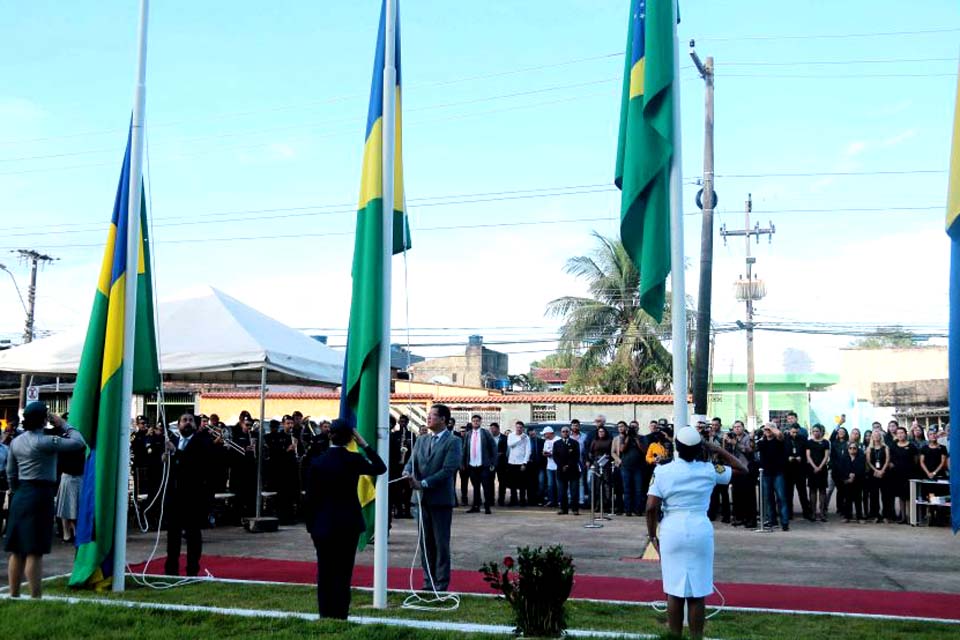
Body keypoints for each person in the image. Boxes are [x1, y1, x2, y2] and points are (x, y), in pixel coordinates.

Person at [645, 426, 748, 640]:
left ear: (676, 448)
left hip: (672, 528)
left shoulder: (662, 471)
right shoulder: (708, 469)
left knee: (674, 590)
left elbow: (651, 507)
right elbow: (741, 469)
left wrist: (652, 535)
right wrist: (718, 449)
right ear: (699, 448)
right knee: (698, 591)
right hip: (700, 527)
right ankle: (696, 637)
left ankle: (674, 636)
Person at [303, 419, 386, 619]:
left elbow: (309, 498)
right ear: (350, 438)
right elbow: (380, 467)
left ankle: (325, 613)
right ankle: (340, 613)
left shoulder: (317, 461)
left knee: (325, 572)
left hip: (322, 524)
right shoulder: (354, 459)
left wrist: (310, 526)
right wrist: (364, 444)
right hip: (348, 523)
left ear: (329, 435)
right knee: (343, 571)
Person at [5, 402, 86, 598]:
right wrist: (63, 424)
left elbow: (10, 473)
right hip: (40, 494)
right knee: (34, 549)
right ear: (44, 420)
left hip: (21, 493)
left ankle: (14, 594)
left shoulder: (16, 441)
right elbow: (79, 442)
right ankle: (36, 596)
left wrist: (18, 490)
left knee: (17, 549)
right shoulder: (45, 441)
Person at [404, 404, 462, 592]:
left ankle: (441, 582)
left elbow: (448, 469)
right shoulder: (421, 440)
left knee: (440, 543)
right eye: (428, 416)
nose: (428, 419)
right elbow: (411, 462)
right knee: (425, 542)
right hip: (420, 500)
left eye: (432, 416)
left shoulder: (453, 441)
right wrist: (407, 472)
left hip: (440, 500)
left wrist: (424, 483)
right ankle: (428, 581)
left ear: (443, 419)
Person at [164, 413, 214, 577]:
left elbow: (195, 464)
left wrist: (176, 453)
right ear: (178, 425)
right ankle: (171, 569)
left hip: (193, 496)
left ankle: (192, 569)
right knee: (173, 534)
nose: (187, 423)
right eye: (184, 420)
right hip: (174, 496)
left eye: (190, 420)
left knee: (193, 534)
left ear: (196, 425)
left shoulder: (202, 442)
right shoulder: (174, 441)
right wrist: (165, 458)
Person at [756, 423, 789, 531]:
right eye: (765, 429)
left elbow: (780, 435)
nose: (767, 431)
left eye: (769, 429)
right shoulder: (762, 442)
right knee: (769, 499)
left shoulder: (779, 441)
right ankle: (772, 521)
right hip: (766, 473)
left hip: (778, 473)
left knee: (781, 498)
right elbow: (752, 447)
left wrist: (771, 427)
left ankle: (784, 522)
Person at [461, 415, 496, 514]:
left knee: (486, 486)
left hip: (484, 464)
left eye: (477, 421)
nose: (476, 422)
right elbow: (464, 449)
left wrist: (493, 462)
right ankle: (475, 506)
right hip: (472, 464)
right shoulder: (468, 434)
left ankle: (487, 506)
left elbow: (493, 447)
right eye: (474, 421)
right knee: (475, 487)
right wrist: (463, 462)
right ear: (471, 422)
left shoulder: (485, 433)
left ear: (481, 422)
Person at [727, 420, 755, 527]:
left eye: (739, 427)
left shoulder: (748, 438)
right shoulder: (732, 438)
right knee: (737, 495)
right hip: (735, 469)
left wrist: (736, 444)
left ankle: (750, 519)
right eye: (735, 427)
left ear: (743, 428)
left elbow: (749, 451)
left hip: (746, 469)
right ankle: (739, 517)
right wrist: (727, 442)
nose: (737, 429)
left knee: (748, 495)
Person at [615, 421, 646, 517]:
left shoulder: (642, 438)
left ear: (638, 428)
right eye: (632, 427)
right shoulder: (624, 437)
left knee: (638, 490)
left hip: (638, 467)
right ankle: (628, 510)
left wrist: (637, 440)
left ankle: (638, 510)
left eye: (635, 427)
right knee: (627, 489)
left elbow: (644, 450)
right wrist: (628, 437)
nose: (633, 429)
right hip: (626, 467)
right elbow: (622, 449)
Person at [888, 426, 918, 524]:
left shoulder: (912, 446)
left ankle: (910, 517)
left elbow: (916, 460)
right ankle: (903, 517)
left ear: (906, 433)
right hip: (897, 475)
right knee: (901, 497)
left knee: (909, 496)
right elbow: (890, 459)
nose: (900, 435)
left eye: (902, 432)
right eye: (898, 433)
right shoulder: (893, 446)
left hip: (909, 475)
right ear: (896, 435)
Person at [783, 423, 812, 521]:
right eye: (793, 432)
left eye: (796, 432)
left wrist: (801, 458)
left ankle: (807, 513)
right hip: (788, 470)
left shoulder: (803, 439)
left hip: (800, 469)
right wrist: (787, 458)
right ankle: (789, 513)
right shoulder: (785, 439)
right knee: (788, 493)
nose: (794, 434)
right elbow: (781, 452)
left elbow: (807, 452)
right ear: (789, 431)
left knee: (802, 492)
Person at [552, 425, 581, 516]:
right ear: (561, 433)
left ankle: (575, 509)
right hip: (561, 470)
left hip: (572, 470)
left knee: (574, 491)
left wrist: (568, 465)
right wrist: (562, 466)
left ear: (569, 432)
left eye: (567, 431)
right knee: (562, 491)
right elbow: (555, 456)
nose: (565, 433)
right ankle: (563, 509)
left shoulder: (575, 443)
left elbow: (576, 456)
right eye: (563, 431)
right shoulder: (556, 443)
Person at [864, 429, 891, 523]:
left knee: (885, 495)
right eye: (874, 435)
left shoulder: (885, 447)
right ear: (872, 437)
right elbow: (868, 461)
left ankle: (886, 515)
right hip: (873, 474)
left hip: (884, 473)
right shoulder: (869, 448)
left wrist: (882, 470)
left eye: (878, 435)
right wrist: (876, 470)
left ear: (880, 436)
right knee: (874, 495)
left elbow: (887, 459)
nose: (876, 436)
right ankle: (875, 515)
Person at [805, 425, 830, 522]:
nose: (815, 433)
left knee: (822, 491)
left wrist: (820, 467)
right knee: (812, 491)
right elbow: (808, 456)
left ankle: (822, 513)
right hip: (812, 470)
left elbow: (826, 456)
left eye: (817, 431)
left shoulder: (825, 442)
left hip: (822, 469)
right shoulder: (809, 442)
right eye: (814, 431)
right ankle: (813, 513)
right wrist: (814, 467)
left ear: (821, 432)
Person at [835, 442, 866, 522]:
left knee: (858, 499)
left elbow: (862, 468)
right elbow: (841, 469)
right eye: (850, 448)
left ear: (857, 449)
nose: (852, 450)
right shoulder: (844, 458)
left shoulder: (861, 457)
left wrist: (854, 475)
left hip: (858, 481)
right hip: (847, 481)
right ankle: (847, 516)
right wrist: (848, 476)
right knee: (847, 499)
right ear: (848, 449)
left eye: (854, 448)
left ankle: (859, 517)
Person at [587, 425, 613, 513]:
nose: (601, 433)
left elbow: (611, 452)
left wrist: (607, 458)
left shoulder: (609, 441)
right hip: (597, 464)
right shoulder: (594, 441)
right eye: (599, 432)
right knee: (597, 485)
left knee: (606, 485)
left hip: (606, 464)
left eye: (602, 432)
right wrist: (593, 460)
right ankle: (597, 505)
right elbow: (590, 452)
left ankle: (607, 506)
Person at [505, 421, 531, 506]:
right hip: (512, 462)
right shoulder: (511, 435)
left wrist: (524, 463)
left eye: (520, 427)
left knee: (522, 483)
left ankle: (522, 500)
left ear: (523, 428)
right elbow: (510, 445)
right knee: (512, 483)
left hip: (521, 463)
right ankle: (513, 500)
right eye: (517, 427)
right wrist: (519, 439)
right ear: (515, 427)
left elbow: (528, 451)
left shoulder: (526, 437)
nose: (519, 429)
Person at [490, 422, 509, 506]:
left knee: (502, 482)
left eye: (493, 429)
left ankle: (501, 499)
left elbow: (508, 450)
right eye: (490, 429)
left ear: (497, 429)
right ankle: (491, 499)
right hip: (491, 463)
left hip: (502, 463)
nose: (492, 430)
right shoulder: (489, 438)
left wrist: (502, 454)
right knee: (490, 481)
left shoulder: (505, 438)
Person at [525, 426, 545, 506]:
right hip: (529, 466)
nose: (532, 433)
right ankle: (531, 501)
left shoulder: (541, 441)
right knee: (530, 484)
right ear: (528, 434)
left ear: (535, 432)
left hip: (540, 465)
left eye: (533, 431)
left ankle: (539, 500)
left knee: (540, 483)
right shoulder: (526, 442)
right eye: (530, 432)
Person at [541, 427, 558, 507]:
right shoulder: (546, 441)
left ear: (549, 433)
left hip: (558, 466)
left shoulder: (558, 440)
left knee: (559, 485)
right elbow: (544, 451)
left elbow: (560, 452)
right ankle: (551, 501)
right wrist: (544, 454)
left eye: (545, 434)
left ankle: (560, 501)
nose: (544, 435)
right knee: (550, 485)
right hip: (549, 466)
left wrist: (552, 454)